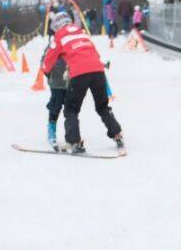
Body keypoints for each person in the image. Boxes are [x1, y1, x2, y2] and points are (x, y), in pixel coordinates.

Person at [42, 12, 124, 154]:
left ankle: (74, 142)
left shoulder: (59, 36)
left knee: (71, 109)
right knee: (102, 106)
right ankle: (117, 134)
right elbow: (95, 54)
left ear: (56, 26)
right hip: (98, 71)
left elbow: (49, 59)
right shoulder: (82, 33)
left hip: (80, 73)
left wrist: (46, 71)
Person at [42, 13, 69, 150]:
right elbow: (44, 62)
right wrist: (49, 76)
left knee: (70, 108)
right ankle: (51, 127)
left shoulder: (71, 40)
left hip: (70, 80)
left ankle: (71, 134)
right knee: (56, 105)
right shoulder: (53, 43)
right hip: (57, 81)